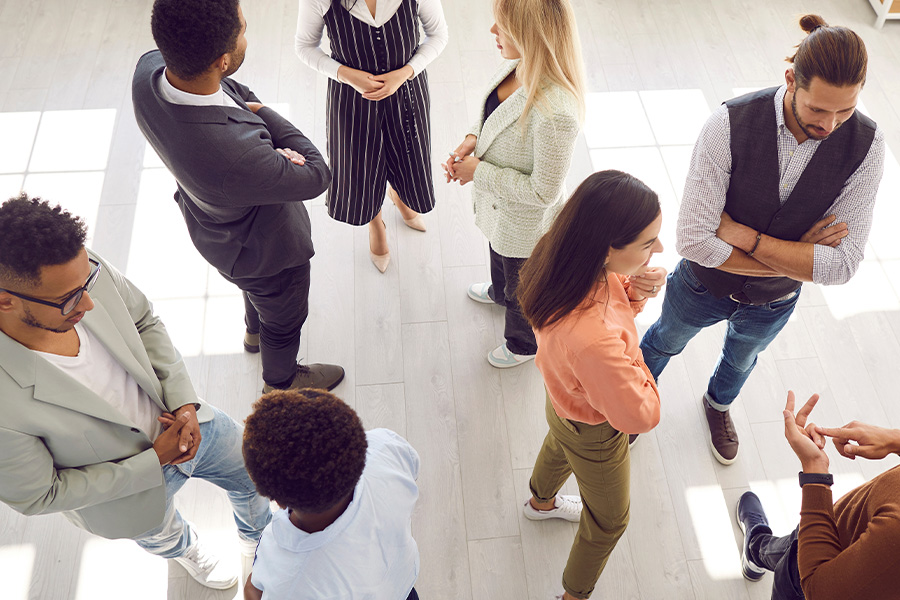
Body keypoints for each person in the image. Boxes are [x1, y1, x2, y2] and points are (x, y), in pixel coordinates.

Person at [639, 14, 885, 465]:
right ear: (791, 80)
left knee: (740, 362)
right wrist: (798, 256)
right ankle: (631, 408)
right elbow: (694, 241)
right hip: (700, 284)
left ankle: (717, 407)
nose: (831, 125)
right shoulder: (726, 125)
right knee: (661, 342)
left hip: (774, 302)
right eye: (818, 109)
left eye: (846, 110)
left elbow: (842, 266)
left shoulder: (868, 146)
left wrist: (744, 237)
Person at [0, 195, 271, 589]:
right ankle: (186, 549)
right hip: (127, 493)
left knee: (252, 476)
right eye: (69, 301)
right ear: (5, 300)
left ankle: (259, 539)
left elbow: (143, 319)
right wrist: (152, 461)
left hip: (192, 422)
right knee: (164, 534)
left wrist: (184, 402)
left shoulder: (75, 270)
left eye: (87, 283)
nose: (90, 303)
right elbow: (40, 495)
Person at [132, 0, 344, 393]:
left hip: (216, 230)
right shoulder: (238, 155)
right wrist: (263, 112)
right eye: (243, 29)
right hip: (269, 252)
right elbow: (317, 174)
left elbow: (234, 92)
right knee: (283, 320)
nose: (248, 34)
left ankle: (252, 334)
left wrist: (260, 135)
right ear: (223, 60)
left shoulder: (147, 72)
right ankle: (280, 382)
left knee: (256, 294)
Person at [516, 171, 667, 600]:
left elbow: (605, 310)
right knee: (609, 522)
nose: (657, 250)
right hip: (597, 429)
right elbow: (639, 415)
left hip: (562, 396)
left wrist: (631, 289)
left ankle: (540, 502)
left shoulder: (559, 257)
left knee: (560, 440)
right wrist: (640, 365)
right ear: (606, 248)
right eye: (646, 243)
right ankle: (574, 595)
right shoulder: (595, 340)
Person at [443, 0, 585, 368]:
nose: (492, 33)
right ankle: (496, 291)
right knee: (498, 256)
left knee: (521, 288)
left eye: (501, 27)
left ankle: (523, 346)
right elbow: (493, 117)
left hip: (525, 224)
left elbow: (543, 192)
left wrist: (478, 172)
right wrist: (472, 140)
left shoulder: (557, 112)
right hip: (501, 212)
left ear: (530, 36)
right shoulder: (518, 67)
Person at [295, 0, 449, 273]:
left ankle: (400, 196)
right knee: (361, 168)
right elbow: (305, 46)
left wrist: (404, 73)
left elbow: (438, 35)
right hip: (351, 98)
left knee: (408, 156)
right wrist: (346, 75)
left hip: (407, 93)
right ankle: (375, 222)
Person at [241, 388, 420, 600]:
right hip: (402, 583)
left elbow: (256, 592)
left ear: (277, 501)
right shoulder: (385, 448)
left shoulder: (292, 577)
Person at [735, 391, 900, 599]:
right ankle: (754, 550)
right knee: (791, 547)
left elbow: (818, 589)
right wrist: (894, 440)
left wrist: (815, 469)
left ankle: (756, 550)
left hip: (819, 571)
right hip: (835, 525)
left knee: (792, 568)